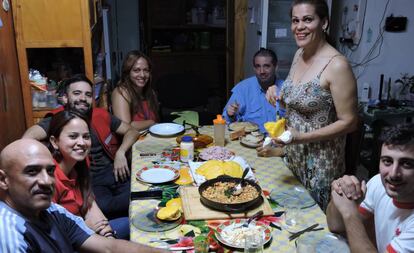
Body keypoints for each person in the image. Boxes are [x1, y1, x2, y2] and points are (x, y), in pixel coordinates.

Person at [266, 0, 358, 209]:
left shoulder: (337, 65)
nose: (299, 26)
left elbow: (350, 122)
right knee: (288, 220)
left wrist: (302, 138)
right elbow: (298, 96)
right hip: (293, 157)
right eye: (295, 20)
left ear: (324, 22)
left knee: (314, 227)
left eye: (308, 19)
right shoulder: (300, 54)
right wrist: (277, 93)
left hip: (320, 164)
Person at [0, 139, 167, 253]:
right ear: (3, 180)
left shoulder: (52, 210)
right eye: (32, 171)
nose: (46, 181)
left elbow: (109, 247)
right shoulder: (11, 235)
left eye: (50, 171)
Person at [23, 74, 140, 220]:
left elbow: (132, 131)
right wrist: (49, 165)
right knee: (125, 203)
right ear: (65, 98)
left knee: (141, 192)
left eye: (88, 94)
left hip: (116, 171)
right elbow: (27, 139)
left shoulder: (100, 115)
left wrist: (121, 153)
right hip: (90, 181)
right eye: (77, 93)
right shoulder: (58, 119)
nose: (83, 98)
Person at [326, 124, 414, 253]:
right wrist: (341, 194)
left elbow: (351, 221)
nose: (394, 174)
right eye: (387, 161)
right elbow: (336, 226)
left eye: (407, 164)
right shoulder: (379, 182)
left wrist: (349, 213)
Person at [47, 109, 129, 239]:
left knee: (134, 224)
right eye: (73, 136)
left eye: (86, 136)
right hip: (71, 242)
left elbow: (90, 205)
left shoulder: (79, 164)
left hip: (88, 234)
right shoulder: (49, 178)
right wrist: (85, 227)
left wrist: (108, 236)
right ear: (54, 141)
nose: (82, 143)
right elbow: (52, 235)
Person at [222, 48, 284, 133]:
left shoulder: (285, 88)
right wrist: (230, 115)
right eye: (258, 66)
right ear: (254, 68)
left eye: (266, 66)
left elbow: (293, 120)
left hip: (278, 141)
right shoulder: (243, 88)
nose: (262, 71)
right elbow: (225, 120)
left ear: (276, 67)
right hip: (250, 141)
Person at [111, 50, 158, 130]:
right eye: (137, 70)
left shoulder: (150, 92)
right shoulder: (121, 92)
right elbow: (125, 127)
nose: (142, 75)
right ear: (127, 72)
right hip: (133, 141)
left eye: (146, 70)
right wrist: (151, 123)